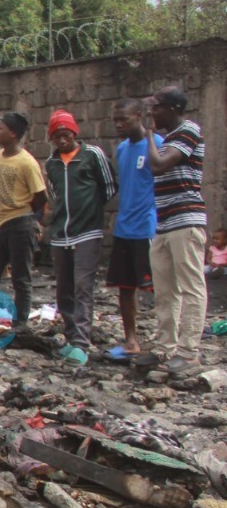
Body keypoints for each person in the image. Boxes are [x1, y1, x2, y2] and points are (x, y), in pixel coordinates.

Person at [42, 109, 117, 366]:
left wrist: (90, 211)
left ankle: (81, 343)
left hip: (87, 231)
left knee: (83, 285)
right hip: (61, 233)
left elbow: (108, 186)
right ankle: (72, 334)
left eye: (65, 135)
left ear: (74, 133)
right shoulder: (51, 164)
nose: (62, 140)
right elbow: (54, 194)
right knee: (64, 289)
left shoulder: (92, 155)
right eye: (56, 137)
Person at [145, 86, 208, 374]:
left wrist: (148, 134)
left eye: (156, 107)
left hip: (186, 220)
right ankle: (165, 347)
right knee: (165, 290)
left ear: (172, 108)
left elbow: (159, 165)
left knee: (190, 287)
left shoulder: (188, 131)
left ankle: (188, 352)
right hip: (165, 221)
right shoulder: (169, 138)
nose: (152, 112)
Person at [0, 112, 47, 329]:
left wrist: (29, 218)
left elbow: (40, 197)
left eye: (0, 128)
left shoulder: (27, 163)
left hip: (21, 222)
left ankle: (20, 323)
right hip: (1, 224)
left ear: (13, 134)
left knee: (20, 276)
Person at [106, 99, 159, 360]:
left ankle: (166, 341)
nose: (118, 125)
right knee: (124, 287)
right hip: (124, 228)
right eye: (115, 120)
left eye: (123, 120)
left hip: (147, 228)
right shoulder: (122, 149)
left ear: (138, 117)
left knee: (158, 287)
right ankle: (131, 340)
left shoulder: (156, 145)